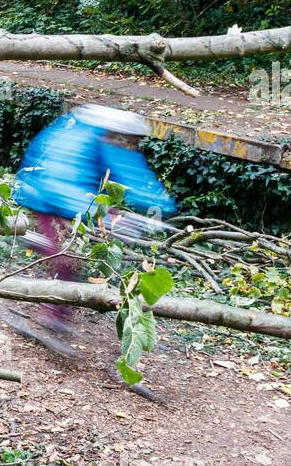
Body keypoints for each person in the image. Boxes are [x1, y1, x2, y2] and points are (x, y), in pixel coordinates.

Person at [13, 103, 174, 330]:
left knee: (65, 253)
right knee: (67, 259)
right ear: (121, 135)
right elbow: (65, 186)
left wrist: (155, 204)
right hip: (50, 197)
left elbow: (126, 172)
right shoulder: (102, 139)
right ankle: (52, 317)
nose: (134, 147)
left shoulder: (79, 129)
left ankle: (41, 244)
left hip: (42, 190)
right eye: (133, 141)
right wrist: (154, 205)